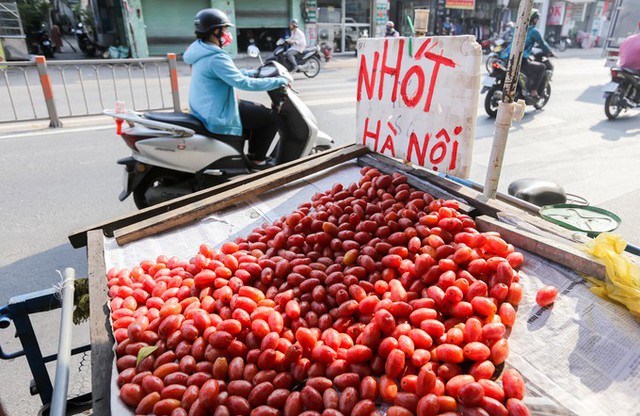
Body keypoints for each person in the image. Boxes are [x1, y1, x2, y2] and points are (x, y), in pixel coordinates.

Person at [183, 8, 289, 168]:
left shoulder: (201, 50)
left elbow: (227, 74)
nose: (227, 33)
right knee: (271, 118)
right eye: (225, 29)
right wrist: (279, 81)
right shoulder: (215, 57)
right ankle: (257, 159)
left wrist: (253, 72)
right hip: (217, 112)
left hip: (207, 106)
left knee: (258, 109)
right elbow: (242, 83)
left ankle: (253, 154)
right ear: (216, 31)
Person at [501, 9, 554, 99]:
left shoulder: (516, 28)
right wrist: (550, 52)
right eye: (536, 19)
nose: (537, 21)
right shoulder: (534, 31)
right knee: (542, 67)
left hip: (506, 56)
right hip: (520, 60)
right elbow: (542, 44)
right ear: (533, 19)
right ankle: (533, 91)